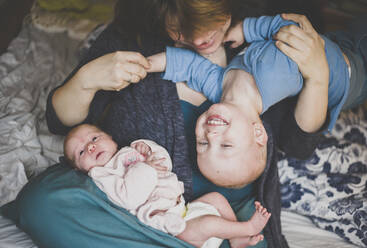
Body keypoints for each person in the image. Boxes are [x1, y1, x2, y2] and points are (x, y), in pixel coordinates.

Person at [0, 0, 330, 247]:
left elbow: (298, 144)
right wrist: (86, 80)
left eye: (211, 21)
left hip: (226, 222)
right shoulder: (133, 39)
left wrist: (319, 77)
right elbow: (60, 122)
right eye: (181, 27)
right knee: (43, 203)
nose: (200, 38)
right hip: (134, 210)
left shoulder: (263, 49)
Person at [146, 13, 367, 188]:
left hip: (338, 44)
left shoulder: (218, 88)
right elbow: (292, 31)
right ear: (258, 133)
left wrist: (147, 65)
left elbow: (190, 67)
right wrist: (247, 29)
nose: (211, 136)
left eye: (203, 144)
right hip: (354, 74)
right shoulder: (275, 75)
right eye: (226, 144)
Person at [64, 123, 271, 248]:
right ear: (81, 170)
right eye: (81, 152)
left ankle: (236, 240)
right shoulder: (103, 176)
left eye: (94, 138)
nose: (90, 146)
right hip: (170, 229)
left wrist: (151, 150)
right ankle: (247, 227)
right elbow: (129, 197)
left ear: (111, 138)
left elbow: (165, 165)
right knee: (208, 223)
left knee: (216, 199)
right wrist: (146, 168)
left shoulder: (129, 152)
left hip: (182, 208)